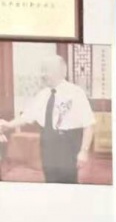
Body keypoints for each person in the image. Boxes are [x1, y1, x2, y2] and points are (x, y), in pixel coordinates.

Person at [0, 54, 94, 184]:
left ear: (62, 72)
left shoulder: (76, 93)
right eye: (42, 70)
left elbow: (89, 124)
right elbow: (27, 117)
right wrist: (8, 125)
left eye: (47, 70)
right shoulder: (42, 95)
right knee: (50, 179)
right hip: (47, 144)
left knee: (68, 182)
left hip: (68, 144)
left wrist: (84, 151)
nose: (43, 74)